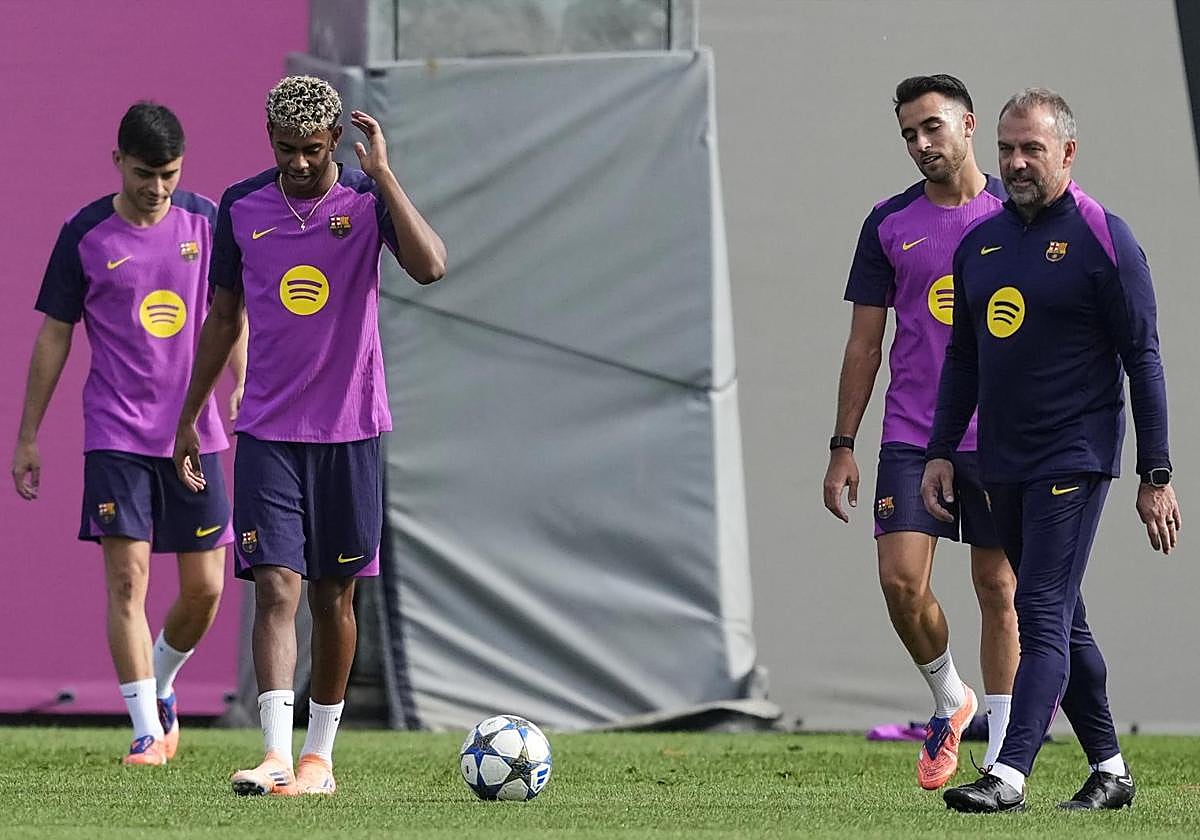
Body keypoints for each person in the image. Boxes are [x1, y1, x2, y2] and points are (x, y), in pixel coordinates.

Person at [173, 75, 446, 796]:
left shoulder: (365, 198)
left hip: (351, 430)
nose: (298, 163)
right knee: (275, 586)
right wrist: (190, 417)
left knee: (334, 597)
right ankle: (274, 754)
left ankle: (318, 760)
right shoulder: (240, 206)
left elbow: (430, 266)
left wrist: (385, 176)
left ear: (334, 144)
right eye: (286, 148)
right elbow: (223, 319)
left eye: (313, 150)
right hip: (268, 430)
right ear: (270, 139)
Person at [923, 88, 1180, 812]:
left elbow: (1144, 359)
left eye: (1031, 149)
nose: (1016, 163)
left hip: (1074, 454)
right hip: (1000, 461)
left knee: (1037, 609)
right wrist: (941, 450)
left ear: (1068, 152)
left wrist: (1156, 472)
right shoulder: (980, 244)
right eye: (1006, 149)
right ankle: (1111, 770)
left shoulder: (1104, 237)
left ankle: (1008, 774)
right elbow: (963, 359)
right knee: (1067, 620)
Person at [11, 102, 244, 766]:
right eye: (145, 174)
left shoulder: (207, 221)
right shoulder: (84, 234)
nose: (157, 187)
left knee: (205, 589)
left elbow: (230, 312)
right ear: (118, 161)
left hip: (194, 434)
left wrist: (242, 381)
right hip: (116, 434)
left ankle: (161, 682)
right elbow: (55, 335)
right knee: (126, 581)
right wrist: (28, 435)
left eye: (169, 174)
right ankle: (145, 730)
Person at [823, 74, 1018, 790]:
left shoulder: (1018, 215)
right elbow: (863, 344)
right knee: (901, 582)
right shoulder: (888, 223)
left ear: (969, 125)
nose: (921, 143)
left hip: (998, 435)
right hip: (912, 433)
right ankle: (949, 699)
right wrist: (842, 445)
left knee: (997, 586)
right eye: (909, 133)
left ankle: (1001, 755)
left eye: (933, 126)